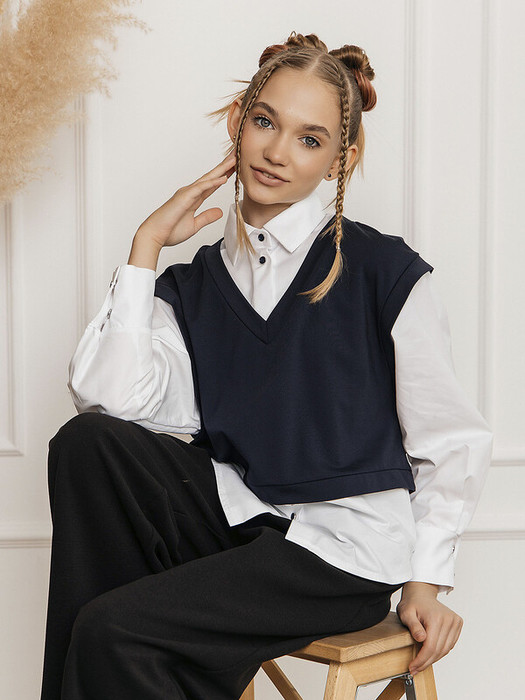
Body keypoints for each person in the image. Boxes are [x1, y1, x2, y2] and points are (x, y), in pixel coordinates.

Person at [40, 31, 493, 700]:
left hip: (341, 552)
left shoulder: (383, 271)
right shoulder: (192, 285)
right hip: (245, 521)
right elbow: (111, 401)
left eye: (309, 139)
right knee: (87, 443)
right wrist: (145, 248)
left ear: (341, 158)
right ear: (238, 121)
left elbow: (449, 438)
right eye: (264, 122)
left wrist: (425, 579)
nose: (277, 152)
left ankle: (127, 656)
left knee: (112, 629)